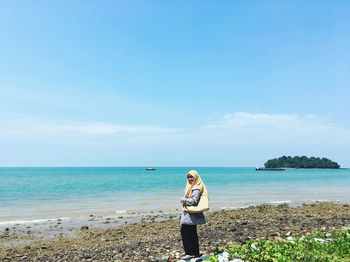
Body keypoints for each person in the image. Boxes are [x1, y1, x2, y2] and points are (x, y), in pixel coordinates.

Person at [179, 170, 209, 260]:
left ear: (196, 177)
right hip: (191, 214)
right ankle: (195, 253)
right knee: (192, 233)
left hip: (191, 214)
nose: (190, 179)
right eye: (188, 177)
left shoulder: (195, 188)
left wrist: (183, 200)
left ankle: (189, 253)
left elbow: (194, 201)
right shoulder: (192, 187)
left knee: (185, 232)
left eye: (192, 177)